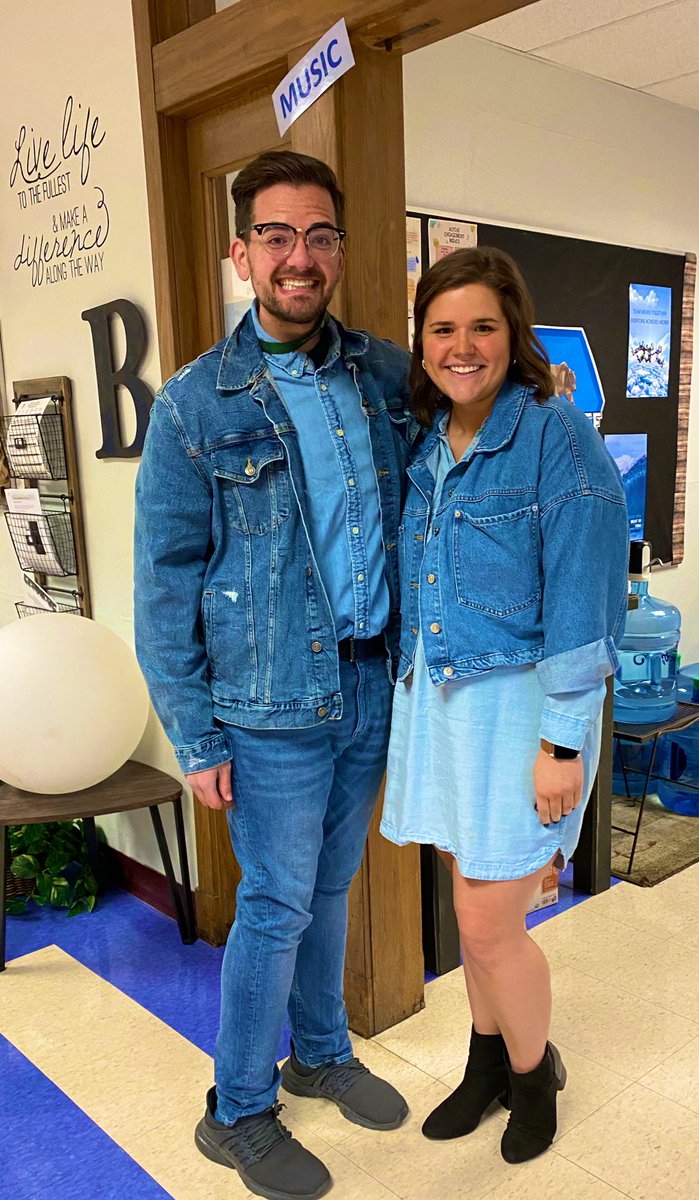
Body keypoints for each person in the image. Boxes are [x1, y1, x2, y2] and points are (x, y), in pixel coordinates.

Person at [134, 150, 416, 1200]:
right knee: (274, 906)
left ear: (337, 248)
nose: (302, 257)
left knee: (329, 888)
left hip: (366, 687)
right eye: (278, 236)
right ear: (243, 254)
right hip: (265, 706)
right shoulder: (194, 406)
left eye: (320, 235)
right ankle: (237, 1110)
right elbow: (163, 585)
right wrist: (196, 737)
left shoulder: (385, 375)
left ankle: (320, 1051)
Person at [380, 246, 628, 1165]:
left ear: (513, 333)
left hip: (523, 710)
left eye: (482, 325)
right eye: (442, 328)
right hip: (442, 703)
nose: (461, 345)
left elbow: (584, 591)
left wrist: (563, 740)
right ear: (421, 343)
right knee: (467, 896)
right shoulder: (427, 442)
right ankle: (484, 1064)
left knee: (489, 923)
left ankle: (532, 1080)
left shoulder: (553, 431)